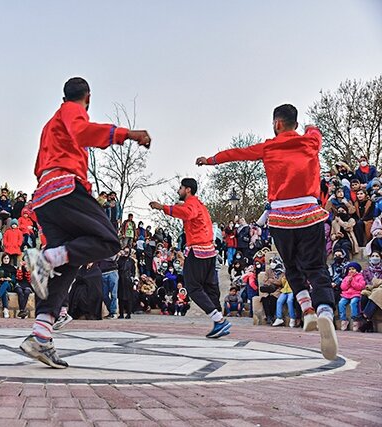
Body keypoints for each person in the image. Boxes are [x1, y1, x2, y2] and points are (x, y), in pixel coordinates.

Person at [20, 77, 150, 368]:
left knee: (66, 266)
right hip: (64, 186)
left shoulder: (48, 127)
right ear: (88, 97)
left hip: (44, 195)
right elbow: (82, 131)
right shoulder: (71, 111)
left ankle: (40, 335)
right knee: (109, 240)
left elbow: (38, 165)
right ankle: (46, 257)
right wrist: (127, 134)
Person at [196, 104, 338, 360]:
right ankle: (325, 311)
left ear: (277, 124)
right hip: (309, 213)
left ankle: (307, 311)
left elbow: (238, 153)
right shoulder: (310, 142)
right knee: (317, 268)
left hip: (281, 218)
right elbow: (316, 132)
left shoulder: (269, 147)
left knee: (291, 267)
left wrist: (211, 160)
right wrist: (308, 128)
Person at [150, 178, 231, 338]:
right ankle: (219, 321)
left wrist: (163, 207)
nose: (178, 191)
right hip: (209, 251)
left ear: (187, 190)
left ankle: (219, 320)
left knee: (193, 288)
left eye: (180, 188)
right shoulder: (200, 204)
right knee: (209, 287)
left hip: (198, 250)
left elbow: (188, 213)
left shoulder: (192, 203)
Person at [338, 262, 365, 331]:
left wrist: (352, 282)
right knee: (341, 303)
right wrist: (348, 282)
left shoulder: (360, 277)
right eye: (349, 269)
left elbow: (360, 287)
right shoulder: (346, 277)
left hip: (356, 294)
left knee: (353, 303)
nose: (351, 271)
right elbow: (343, 287)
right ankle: (343, 320)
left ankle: (355, 321)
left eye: (353, 269)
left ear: (357, 270)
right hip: (346, 294)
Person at [116, 247, 135, 319]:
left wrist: (133, 280)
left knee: (129, 298)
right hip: (120, 279)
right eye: (125, 251)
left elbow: (133, 271)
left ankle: (129, 313)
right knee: (120, 297)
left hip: (128, 280)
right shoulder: (119, 259)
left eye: (127, 251)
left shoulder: (131, 261)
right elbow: (116, 266)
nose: (126, 252)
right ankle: (121, 314)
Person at [0, 254, 17, 318]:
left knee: (6, 283)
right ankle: (5, 309)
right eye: (4, 258)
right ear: (2, 259)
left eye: (7, 258)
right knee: (4, 292)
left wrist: (10, 279)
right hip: (0, 285)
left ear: (9, 260)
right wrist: (0, 279)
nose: (6, 260)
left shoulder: (12, 268)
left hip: (9, 285)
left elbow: (14, 280)